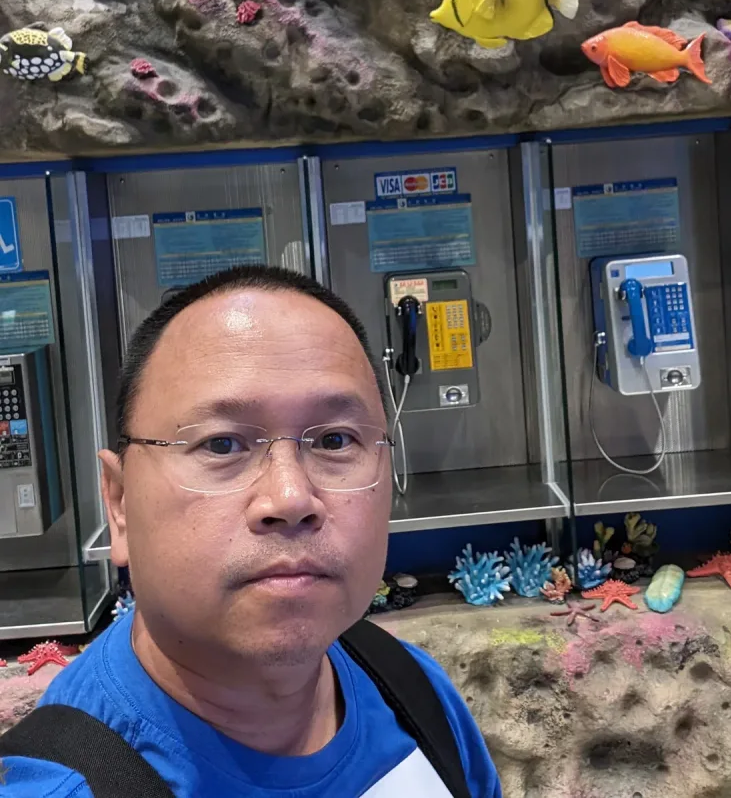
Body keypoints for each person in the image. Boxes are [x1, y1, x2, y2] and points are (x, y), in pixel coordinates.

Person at [0, 266, 501, 797]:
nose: (291, 498)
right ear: (120, 503)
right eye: (221, 444)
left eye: (334, 440)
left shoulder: (414, 694)